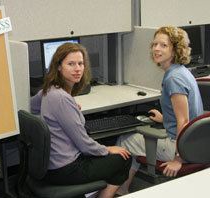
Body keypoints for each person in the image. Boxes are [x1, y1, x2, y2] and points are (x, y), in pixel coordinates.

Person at [31, 42, 132, 198]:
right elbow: (84, 145)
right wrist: (107, 149)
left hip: (50, 164)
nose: (77, 68)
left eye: (80, 63)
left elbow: (32, 108)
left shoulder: (49, 89)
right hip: (65, 168)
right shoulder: (61, 99)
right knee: (124, 158)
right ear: (59, 66)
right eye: (71, 64)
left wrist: (61, 113)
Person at [116, 26, 204, 195]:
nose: (156, 48)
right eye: (155, 44)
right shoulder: (181, 71)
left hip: (182, 147)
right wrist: (165, 119)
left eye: (163, 45)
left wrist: (179, 158)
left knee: (125, 140)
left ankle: (122, 190)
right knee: (136, 139)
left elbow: (184, 122)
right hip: (196, 142)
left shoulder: (173, 78)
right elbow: (187, 115)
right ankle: (124, 188)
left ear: (175, 49)